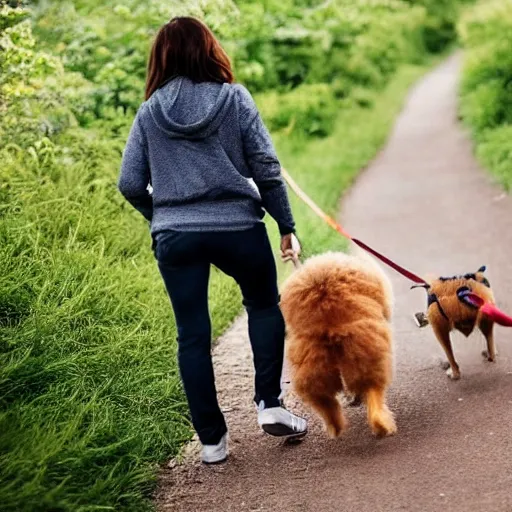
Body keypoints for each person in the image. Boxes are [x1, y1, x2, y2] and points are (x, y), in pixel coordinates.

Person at [117, 16, 307, 464]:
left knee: (192, 335)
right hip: (238, 227)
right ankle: (270, 405)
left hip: (175, 235)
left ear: (161, 57)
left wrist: (159, 215)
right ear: (209, 49)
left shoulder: (149, 112)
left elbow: (129, 182)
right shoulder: (234, 98)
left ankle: (211, 441)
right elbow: (266, 166)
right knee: (263, 305)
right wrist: (285, 225)